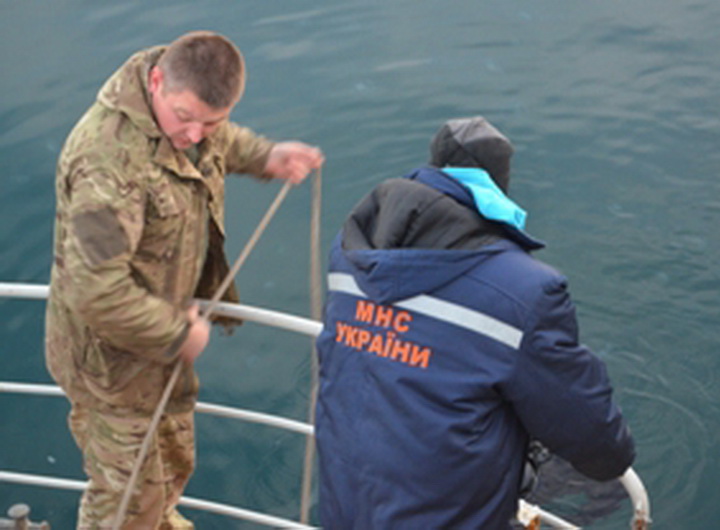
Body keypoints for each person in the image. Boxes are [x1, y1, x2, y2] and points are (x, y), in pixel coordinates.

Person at [44, 31, 323, 529]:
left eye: (210, 121)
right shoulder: (105, 167)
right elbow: (95, 290)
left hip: (160, 350)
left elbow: (222, 140)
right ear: (156, 81)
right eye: (185, 117)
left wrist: (266, 157)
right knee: (126, 497)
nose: (196, 133)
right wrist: (177, 333)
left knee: (170, 467)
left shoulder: (189, 117)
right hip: (110, 366)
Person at [314, 117, 635, 529]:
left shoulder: (348, 254)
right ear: (499, 184)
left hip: (346, 510)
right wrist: (611, 459)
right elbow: (597, 440)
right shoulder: (525, 291)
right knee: (603, 481)